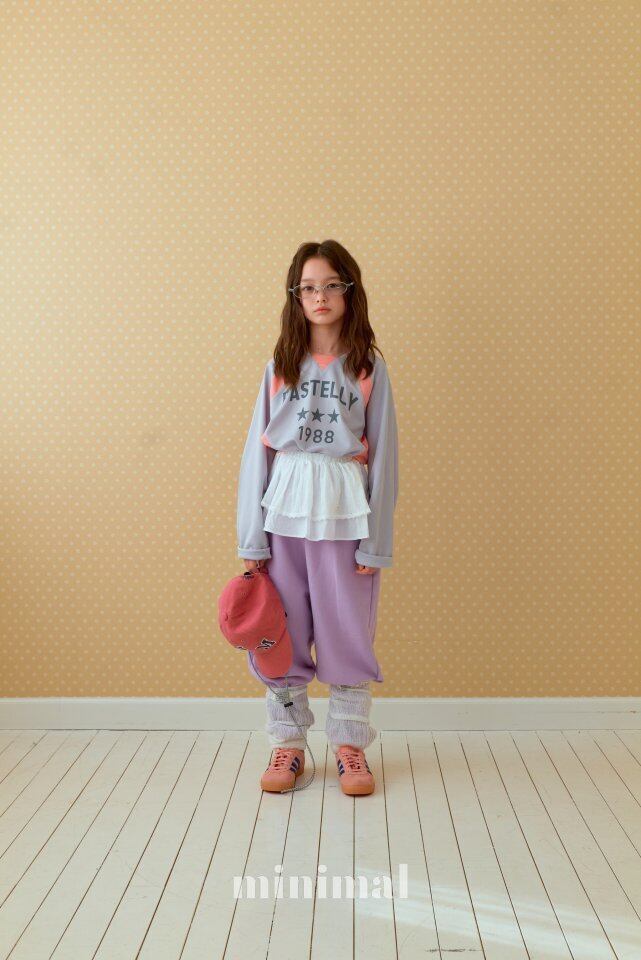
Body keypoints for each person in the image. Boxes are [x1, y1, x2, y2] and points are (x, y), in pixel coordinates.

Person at [236, 239, 399, 796]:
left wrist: (376, 543)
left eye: (330, 285)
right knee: (283, 634)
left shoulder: (368, 368)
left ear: (349, 291)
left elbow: (385, 457)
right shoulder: (279, 368)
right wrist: (251, 540)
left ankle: (350, 746)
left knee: (347, 632)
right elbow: (256, 456)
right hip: (283, 516)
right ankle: (287, 745)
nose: (320, 296)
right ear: (296, 296)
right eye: (308, 287)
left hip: (344, 517)